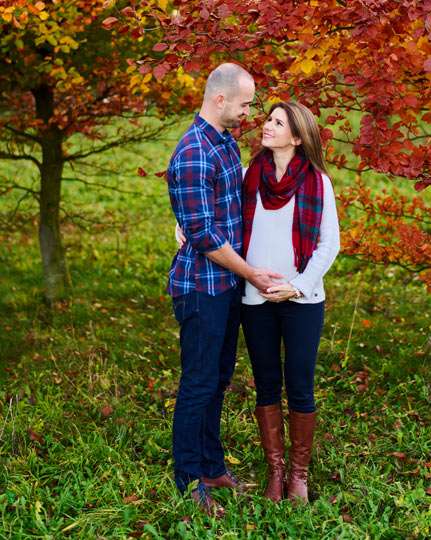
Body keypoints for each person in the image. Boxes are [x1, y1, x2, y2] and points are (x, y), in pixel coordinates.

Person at [176, 101, 340, 504]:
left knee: (300, 387)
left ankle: (298, 477)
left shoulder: (318, 182)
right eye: (267, 117)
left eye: (277, 122)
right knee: (266, 384)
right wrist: (179, 224)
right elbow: (206, 203)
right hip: (254, 298)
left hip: (302, 299)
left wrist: (298, 286)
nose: (266, 125)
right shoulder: (250, 176)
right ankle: (275, 472)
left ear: (297, 137)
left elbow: (328, 244)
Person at [166, 62, 281, 518]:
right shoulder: (194, 152)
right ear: (219, 100)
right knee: (197, 383)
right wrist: (251, 274)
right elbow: (206, 235)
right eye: (245, 104)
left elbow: (220, 212)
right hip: (201, 287)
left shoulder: (224, 143)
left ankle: (213, 466)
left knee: (218, 380)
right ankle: (189, 478)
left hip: (226, 284)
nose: (248, 112)